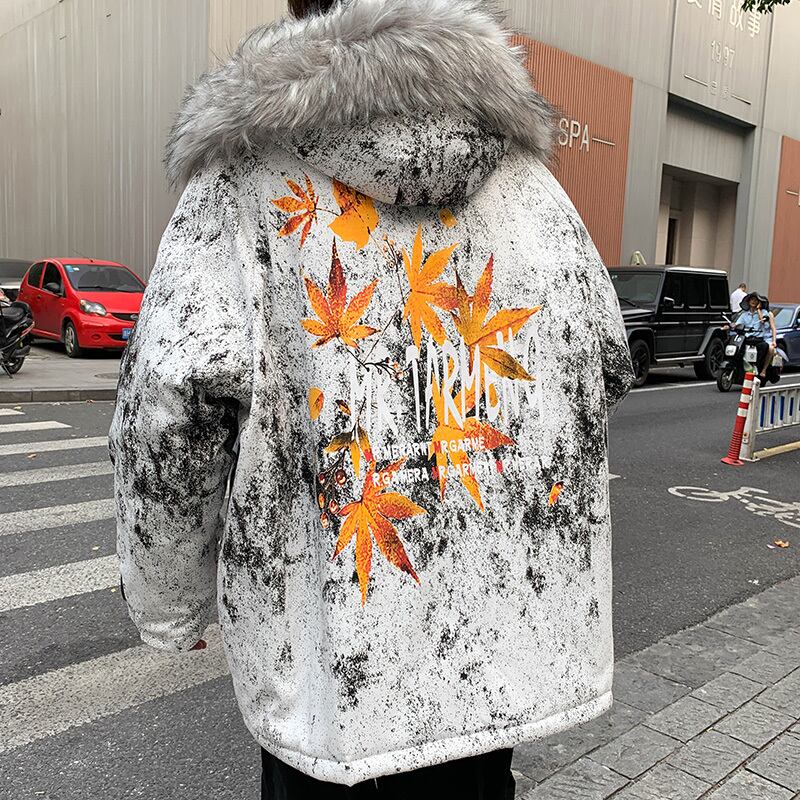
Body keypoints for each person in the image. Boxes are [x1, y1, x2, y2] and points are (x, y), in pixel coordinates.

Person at [109, 0, 635, 797]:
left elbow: (169, 417)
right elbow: (607, 366)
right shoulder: (532, 189)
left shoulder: (244, 183)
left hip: (330, 670)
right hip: (489, 658)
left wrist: (169, 604)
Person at [735, 292, 776, 380]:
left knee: (765, 347)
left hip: (759, 339)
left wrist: (758, 310)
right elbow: (737, 324)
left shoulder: (765, 313)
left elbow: (764, 323)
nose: (753, 301)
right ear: (748, 301)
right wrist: (730, 326)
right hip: (747, 338)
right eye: (752, 300)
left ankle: (760, 368)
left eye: (756, 300)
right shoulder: (744, 314)